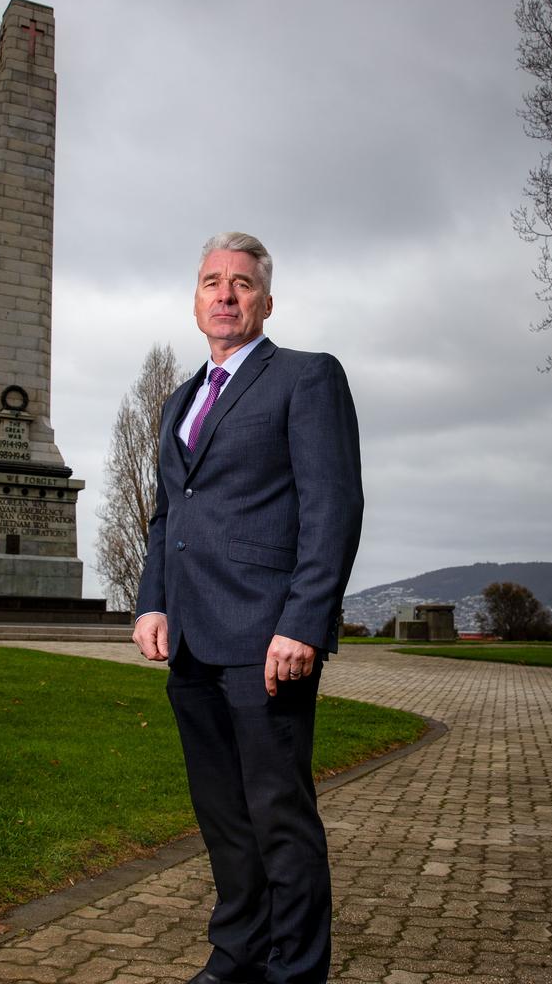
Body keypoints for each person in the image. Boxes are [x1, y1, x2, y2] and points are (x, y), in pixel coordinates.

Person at [133, 232, 363, 984]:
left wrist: (303, 621)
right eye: (211, 282)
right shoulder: (179, 398)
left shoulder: (307, 377)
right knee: (225, 822)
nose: (224, 295)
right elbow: (169, 513)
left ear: (266, 300)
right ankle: (235, 958)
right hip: (193, 643)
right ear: (195, 299)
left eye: (240, 283)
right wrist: (152, 602)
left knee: (280, 820)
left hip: (268, 639)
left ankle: (294, 973)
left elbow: (332, 504)